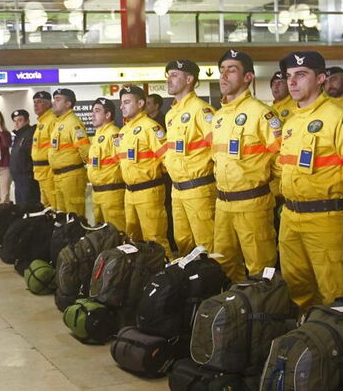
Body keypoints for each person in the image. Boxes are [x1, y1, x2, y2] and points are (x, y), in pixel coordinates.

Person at [272, 51, 343, 311]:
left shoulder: (339, 119)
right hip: (291, 217)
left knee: (335, 292)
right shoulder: (291, 123)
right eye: (289, 76)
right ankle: (309, 332)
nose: (292, 82)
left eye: (301, 75)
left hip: (327, 219)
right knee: (297, 287)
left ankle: (340, 334)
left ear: (320, 79)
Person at [210, 49, 281, 282]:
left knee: (260, 267)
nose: (224, 75)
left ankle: (265, 305)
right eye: (222, 70)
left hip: (253, 204)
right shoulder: (219, 117)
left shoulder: (262, 114)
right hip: (222, 204)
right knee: (223, 264)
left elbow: (281, 159)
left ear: (248, 77)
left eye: (231, 70)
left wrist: (272, 193)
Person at [163, 60, 217, 255]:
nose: (169, 80)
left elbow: (217, 149)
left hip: (199, 189)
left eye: (174, 75)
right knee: (183, 242)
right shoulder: (171, 114)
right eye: (168, 75)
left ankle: (214, 276)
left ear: (189, 79)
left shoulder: (202, 110)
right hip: (177, 190)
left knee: (207, 244)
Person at [118, 85, 170, 252]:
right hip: (129, 193)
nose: (122, 106)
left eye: (127, 102)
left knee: (155, 240)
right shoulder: (124, 131)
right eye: (121, 103)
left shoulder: (150, 127)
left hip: (149, 191)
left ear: (140, 103)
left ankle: (164, 267)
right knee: (132, 240)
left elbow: (167, 158)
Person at [48, 88, 90, 215]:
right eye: (54, 99)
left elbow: (84, 149)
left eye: (58, 100)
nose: (54, 103)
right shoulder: (59, 123)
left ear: (68, 103)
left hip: (71, 176)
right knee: (62, 216)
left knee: (74, 215)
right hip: (59, 176)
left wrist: (89, 170)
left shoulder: (73, 123)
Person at [87, 97, 126, 231]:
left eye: (97, 111)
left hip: (112, 193)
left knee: (117, 233)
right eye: (92, 111)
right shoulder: (98, 135)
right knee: (101, 234)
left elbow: (122, 162)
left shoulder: (114, 134)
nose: (93, 114)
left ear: (108, 114)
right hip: (97, 193)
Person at [30, 91, 57, 207]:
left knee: (55, 205)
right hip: (40, 172)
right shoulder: (41, 122)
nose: (36, 105)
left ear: (49, 104)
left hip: (49, 171)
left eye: (39, 102)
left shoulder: (52, 120)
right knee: (47, 206)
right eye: (34, 102)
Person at [9, 109, 40, 206]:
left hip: (27, 177)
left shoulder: (31, 133)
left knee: (29, 205)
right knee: (20, 206)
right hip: (18, 178)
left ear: (27, 121)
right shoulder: (18, 135)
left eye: (20, 120)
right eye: (15, 121)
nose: (16, 124)